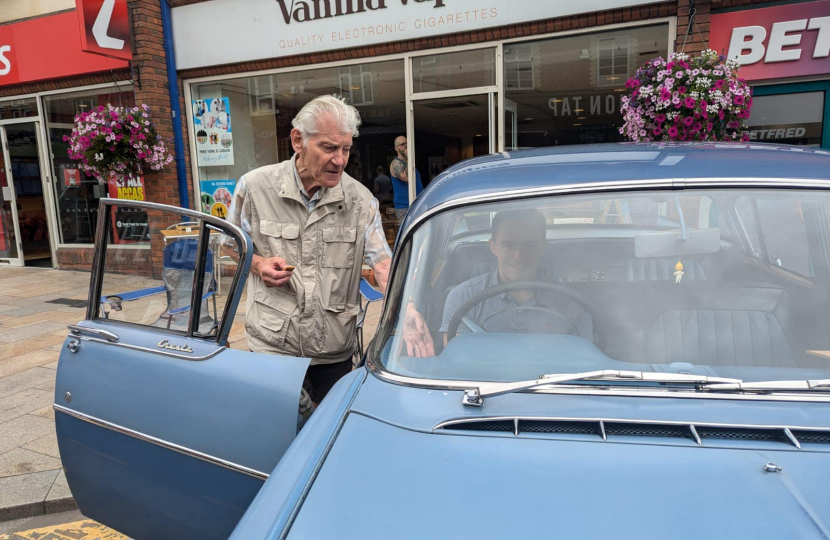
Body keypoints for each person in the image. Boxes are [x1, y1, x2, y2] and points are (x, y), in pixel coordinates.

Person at [226, 95, 393, 411]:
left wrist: (408, 309)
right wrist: (259, 263)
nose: (340, 160)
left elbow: (382, 263)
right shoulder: (254, 188)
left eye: (345, 149)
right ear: (297, 140)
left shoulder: (361, 201)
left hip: (334, 349)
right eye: (329, 148)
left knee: (328, 438)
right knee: (279, 435)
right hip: (273, 347)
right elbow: (232, 243)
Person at [403, 209, 592, 357]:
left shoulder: (572, 303)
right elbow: (458, 361)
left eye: (530, 245)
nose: (519, 256)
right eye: (508, 245)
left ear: (543, 247)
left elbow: (584, 365)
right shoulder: (463, 297)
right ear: (492, 246)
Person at [389, 136, 423, 224]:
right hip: (405, 208)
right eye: (403, 144)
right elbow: (407, 177)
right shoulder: (395, 163)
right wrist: (409, 157)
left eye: (407, 143)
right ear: (397, 148)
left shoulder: (408, 163)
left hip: (417, 204)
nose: (406, 146)